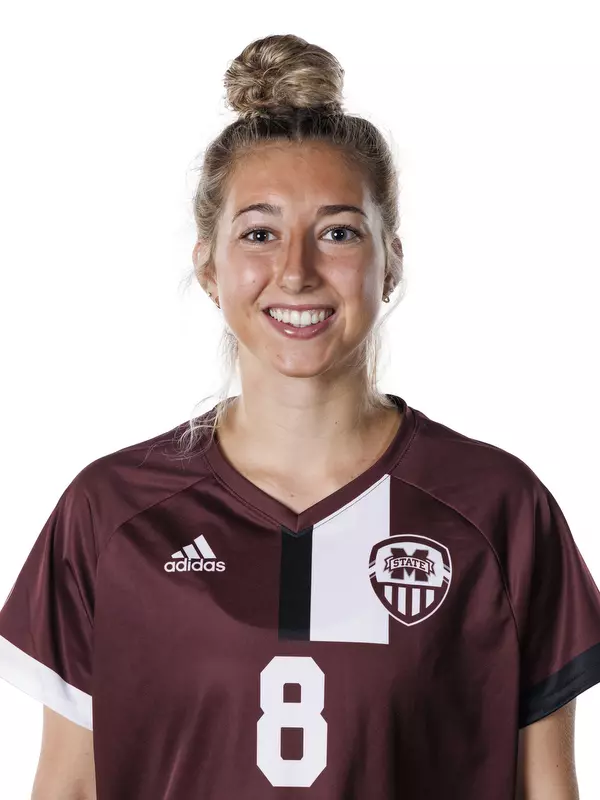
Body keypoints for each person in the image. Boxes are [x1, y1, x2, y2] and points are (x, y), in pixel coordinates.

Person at [0, 32, 599, 800]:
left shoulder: (497, 508)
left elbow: (548, 790)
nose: (296, 271)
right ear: (210, 269)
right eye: (260, 233)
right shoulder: (111, 514)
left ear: (392, 260)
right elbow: (69, 788)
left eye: (339, 232)